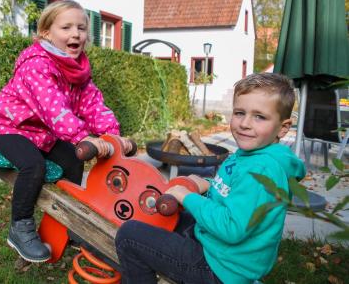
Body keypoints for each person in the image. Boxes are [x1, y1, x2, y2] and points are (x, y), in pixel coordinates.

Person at [115, 73, 306, 284]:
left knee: (130, 236)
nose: (244, 123)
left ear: (283, 128)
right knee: (172, 218)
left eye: (259, 117)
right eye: (239, 112)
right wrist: (208, 185)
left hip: (220, 269)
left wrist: (187, 197)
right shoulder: (252, 154)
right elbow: (234, 193)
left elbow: (232, 228)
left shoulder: (262, 170)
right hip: (220, 251)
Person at [0, 0, 131, 263]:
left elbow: (94, 104)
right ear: (46, 33)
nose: (75, 33)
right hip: (10, 127)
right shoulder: (37, 64)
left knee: (74, 159)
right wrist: (83, 137)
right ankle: (20, 226)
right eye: (66, 27)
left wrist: (113, 136)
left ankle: (71, 219)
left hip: (41, 134)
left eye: (81, 28)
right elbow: (54, 110)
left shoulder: (78, 70)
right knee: (33, 167)